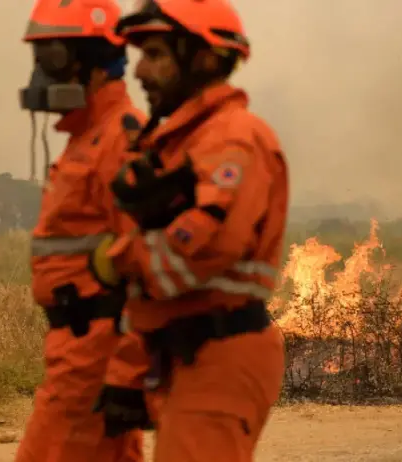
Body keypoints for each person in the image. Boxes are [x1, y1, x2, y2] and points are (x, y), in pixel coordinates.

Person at [88, 0, 288, 459]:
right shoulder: (184, 146)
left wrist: (118, 258)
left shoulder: (234, 139)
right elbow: (156, 294)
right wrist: (126, 374)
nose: (139, 71)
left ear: (203, 58)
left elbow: (201, 252)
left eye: (156, 54)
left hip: (221, 357)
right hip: (184, 356)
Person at [15, 0, 154, 460]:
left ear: (90, 60)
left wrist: (128, 371)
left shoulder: (120, 137)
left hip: (95, 355)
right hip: (77, 353)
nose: (42, 73)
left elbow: (145, 263)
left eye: (50, 56)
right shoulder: (86, 138)